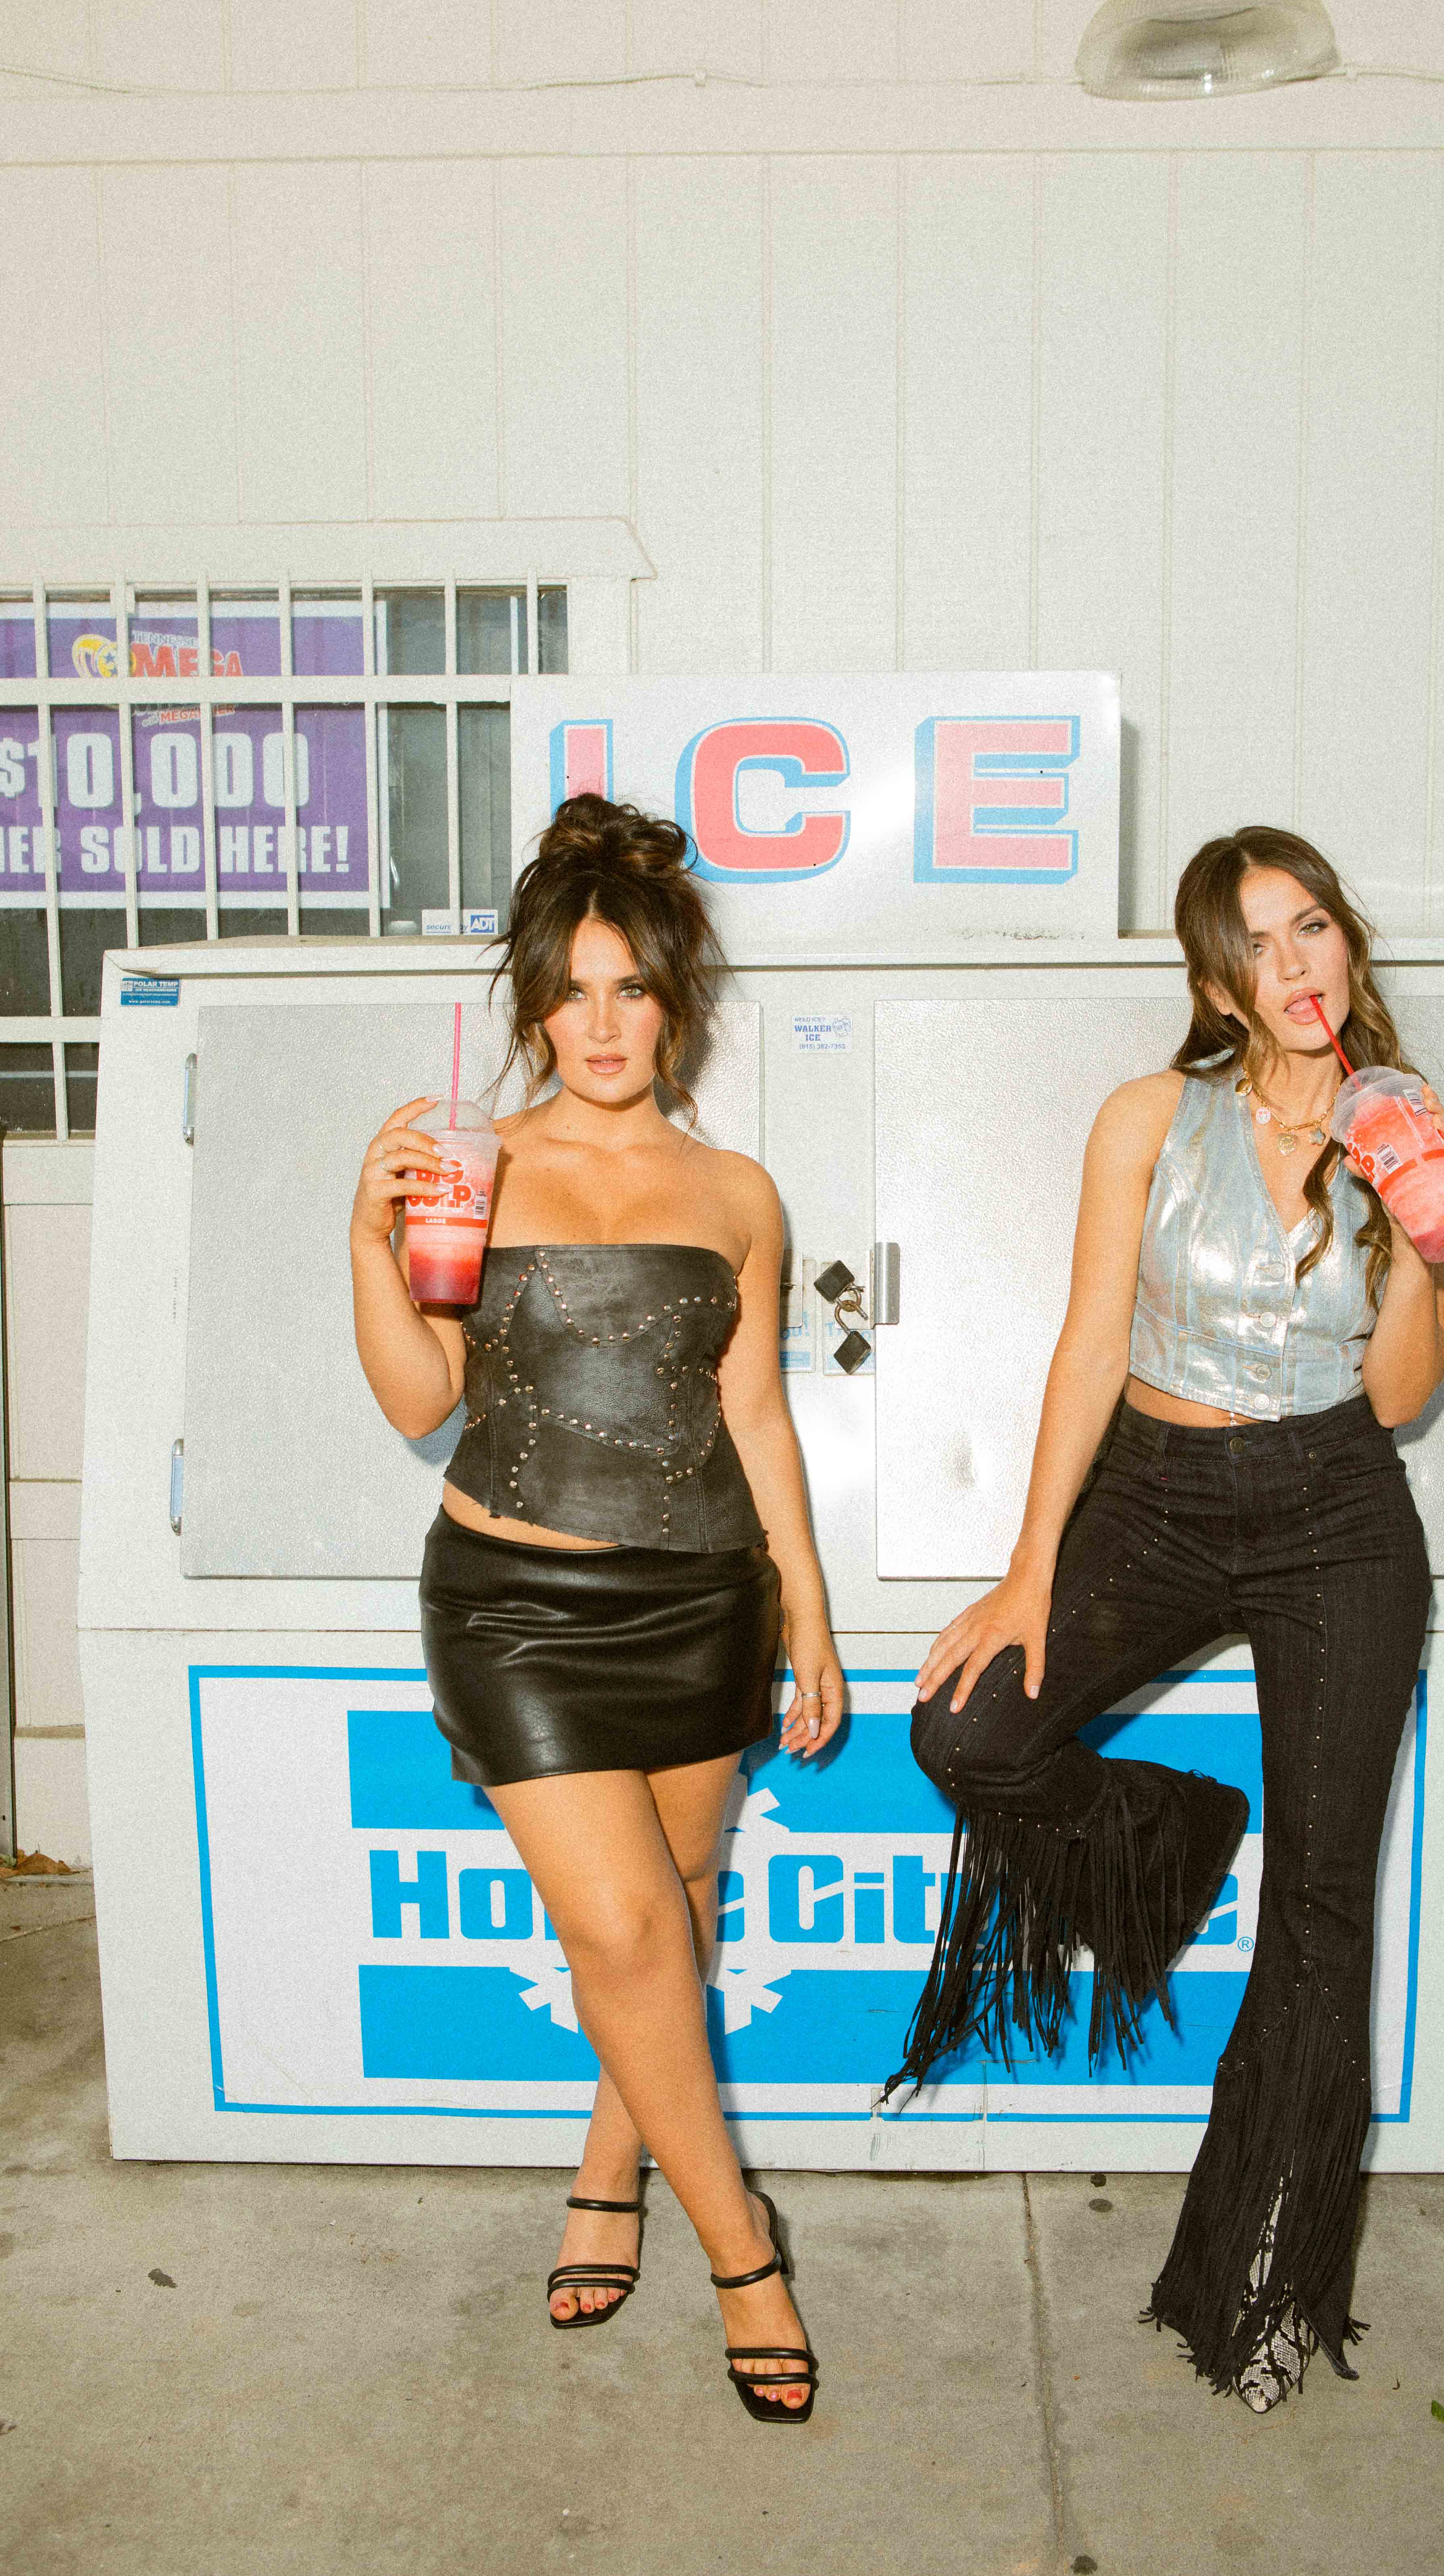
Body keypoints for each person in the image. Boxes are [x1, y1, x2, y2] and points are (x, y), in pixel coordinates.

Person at [897, 826, 1444, 2413]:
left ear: (1346, 941)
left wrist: (1420, 1232)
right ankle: (1172, 1832)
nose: (1298, 968)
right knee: (970, 1725)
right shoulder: (1152, 1115)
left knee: (1322, 1919)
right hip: (1150, 1489)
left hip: (1339, 1510)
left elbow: (1401, 1396)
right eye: (1259, 945)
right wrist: (1029, 1567)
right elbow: (1090, 1343)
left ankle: (1260, 2286)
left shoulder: (1402, 1124)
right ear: (1216, 979)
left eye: (1315, 930)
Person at [350, 794, 841, 2422]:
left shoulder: (743, 1192)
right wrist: (368, 1234)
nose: (606, 1022)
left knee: (682, 1907)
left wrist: (813, 1621)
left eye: (633, 988)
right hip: (512, 1606)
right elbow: (420, 1391)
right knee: (623, 1928)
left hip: (707, 1599)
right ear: (535, 1005)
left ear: (675, 999)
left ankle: (606, 2171)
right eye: (575, 990)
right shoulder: (470, 1165)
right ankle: (744, 2247)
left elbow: (757, 1417)